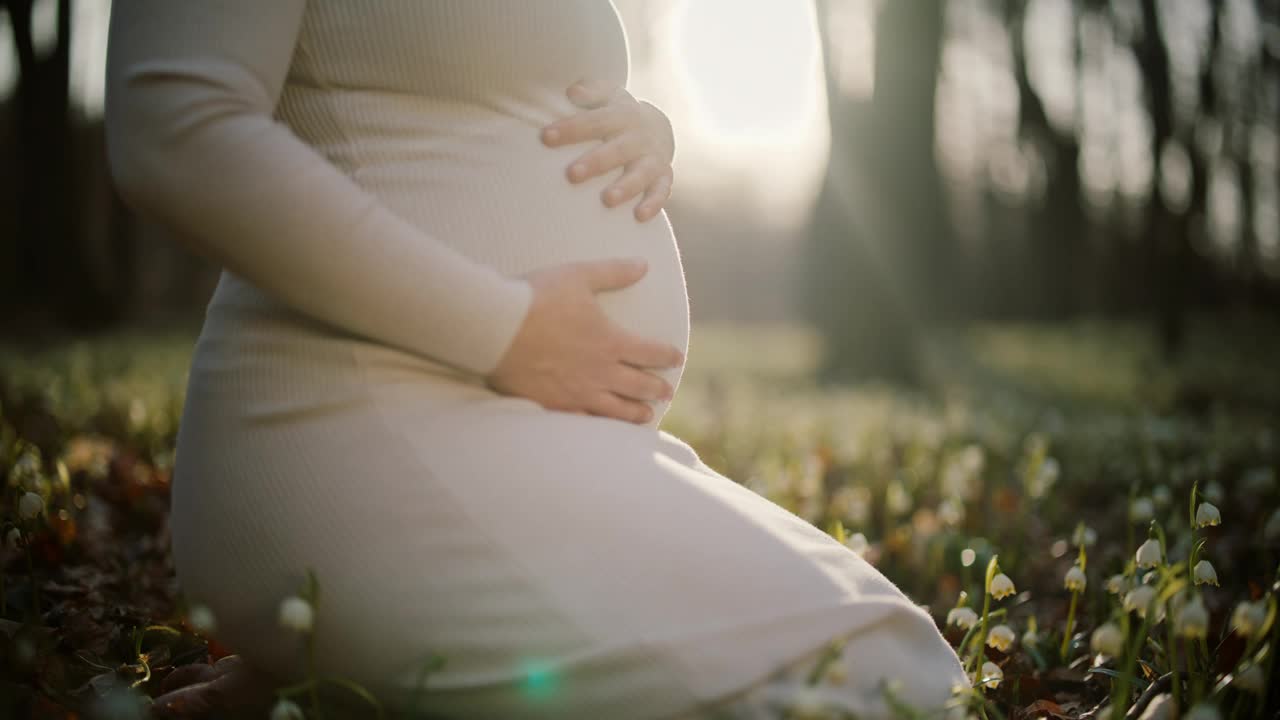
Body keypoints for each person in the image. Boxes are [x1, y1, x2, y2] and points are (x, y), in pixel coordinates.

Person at [104, 2, 968, 718]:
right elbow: (177, 129)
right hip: (355, 430)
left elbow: (473, 88)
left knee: (893, 653)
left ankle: (353, 688)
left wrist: (645, 127)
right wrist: (502, 328)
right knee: (884, 683)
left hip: (513, 438)